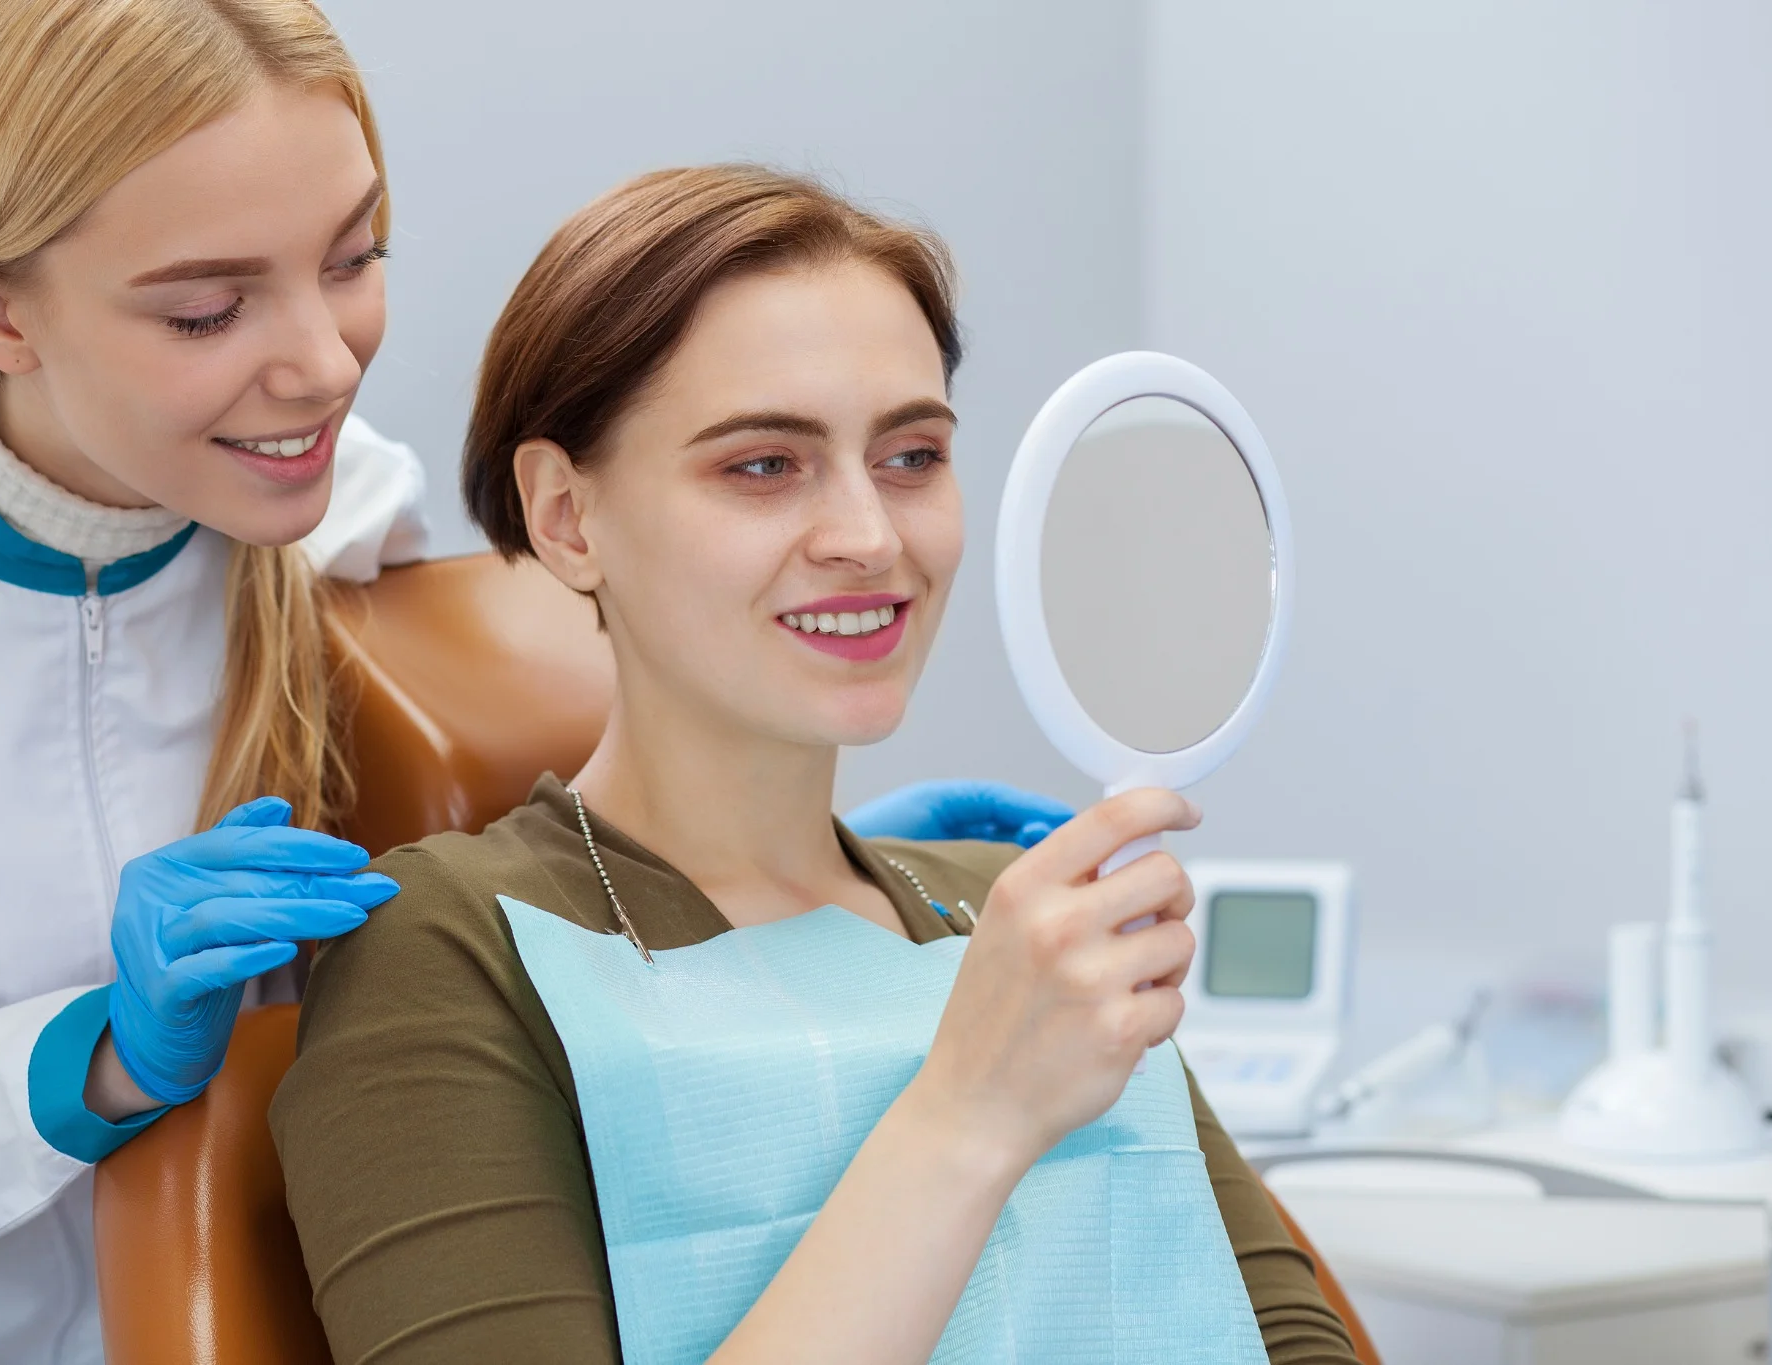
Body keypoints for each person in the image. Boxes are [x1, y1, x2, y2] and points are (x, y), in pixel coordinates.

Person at [0, 6, 1057, 1362]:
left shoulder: (327, 503)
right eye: (208, 307)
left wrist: (791, 884)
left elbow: (513, 894)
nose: (323, 365)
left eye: (353, 259)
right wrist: (99, 1054)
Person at [272, 165, 1362, 1364]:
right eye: (762, 465)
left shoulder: (1010, 907)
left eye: (909, 457)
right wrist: (970, 1109)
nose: (870, 538)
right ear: (568, 518)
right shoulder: (448, 949)